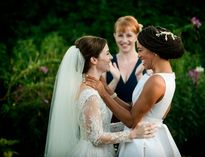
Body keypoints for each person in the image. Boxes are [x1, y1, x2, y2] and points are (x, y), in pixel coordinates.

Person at [44, 35, 157, 157]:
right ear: (94, 60)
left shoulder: (95, 87)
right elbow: (96, 138)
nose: (111, 57)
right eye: (107, 53)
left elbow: (102, 128)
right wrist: (132, 134)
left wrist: (127, 126)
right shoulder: (90, 94)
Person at [86, 26, 185, 157]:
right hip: (144, 136)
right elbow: (132, 109)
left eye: (140, 50)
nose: (138, 55)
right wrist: (107, 89)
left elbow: (132, 121)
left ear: (154, 51)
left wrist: (102, 93)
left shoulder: (157, 81)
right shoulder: (158, 75)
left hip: (143, 144)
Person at [106, 15, 144, 123]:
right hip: (110, 121)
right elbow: (101, 96)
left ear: (136, 36)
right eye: (120, 35)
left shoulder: (145, 63)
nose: (124, 40)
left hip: (137, 121)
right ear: (114, 36)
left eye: (129, 35)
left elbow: (149, 96)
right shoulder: (107, 61)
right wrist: (115, 79)